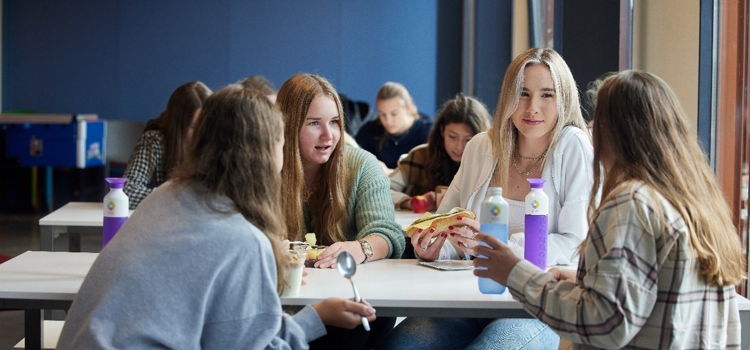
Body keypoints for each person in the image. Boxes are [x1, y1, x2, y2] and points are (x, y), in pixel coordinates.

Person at [58, 85, 376, 349]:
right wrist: (315, 320)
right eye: (282, 141)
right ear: (266, 152)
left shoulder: (164, 196)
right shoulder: (241, 240)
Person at [471, 70, 745, 349]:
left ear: (612, 132)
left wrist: (513, 272)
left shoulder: (631, 204)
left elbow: (606, 324)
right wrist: (587, 279)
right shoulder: (696, 205)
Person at [382, 48, 593, 350]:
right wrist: (436, 247)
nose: (532, 108)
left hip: (535, 307)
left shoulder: (573, 146)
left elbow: (575, 241)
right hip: (468, 300)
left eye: (547, 95)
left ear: (564, 99)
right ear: (507, 95)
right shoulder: (481, 146)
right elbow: (446, 221)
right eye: (522, 93)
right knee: (401, 345)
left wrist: (498, 249)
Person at [277, 73, 404, 349]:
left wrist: (361, 248)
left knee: (357, 327)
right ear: (287, 125)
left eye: (334, 122)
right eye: (313, 123)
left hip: (354, 298)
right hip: (287, 304)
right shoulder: (267, 167)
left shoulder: (362, 166)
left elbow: (387, 234)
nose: (329, 135)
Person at [390, 93, 491, 211]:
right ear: (442, 130)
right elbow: (381, 190)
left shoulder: (488, 163)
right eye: (452, 137)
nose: (459, 147)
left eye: (468, 140)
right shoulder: (420, 156)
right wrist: (410, 202)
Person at [123, 81, 211, 209]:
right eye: (194, 126)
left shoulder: (217, 142)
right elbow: (127, 192)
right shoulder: (155, 140)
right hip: (167, 221)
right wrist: (177, 201)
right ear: (178, 126)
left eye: (206, 125)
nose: (202, 133)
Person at [355, 81, 432, 172]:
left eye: (394, 114)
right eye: (382, 114)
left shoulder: (428, 132)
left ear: (407, 108)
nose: (388, 121)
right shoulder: (369, 131)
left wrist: (390, 173)